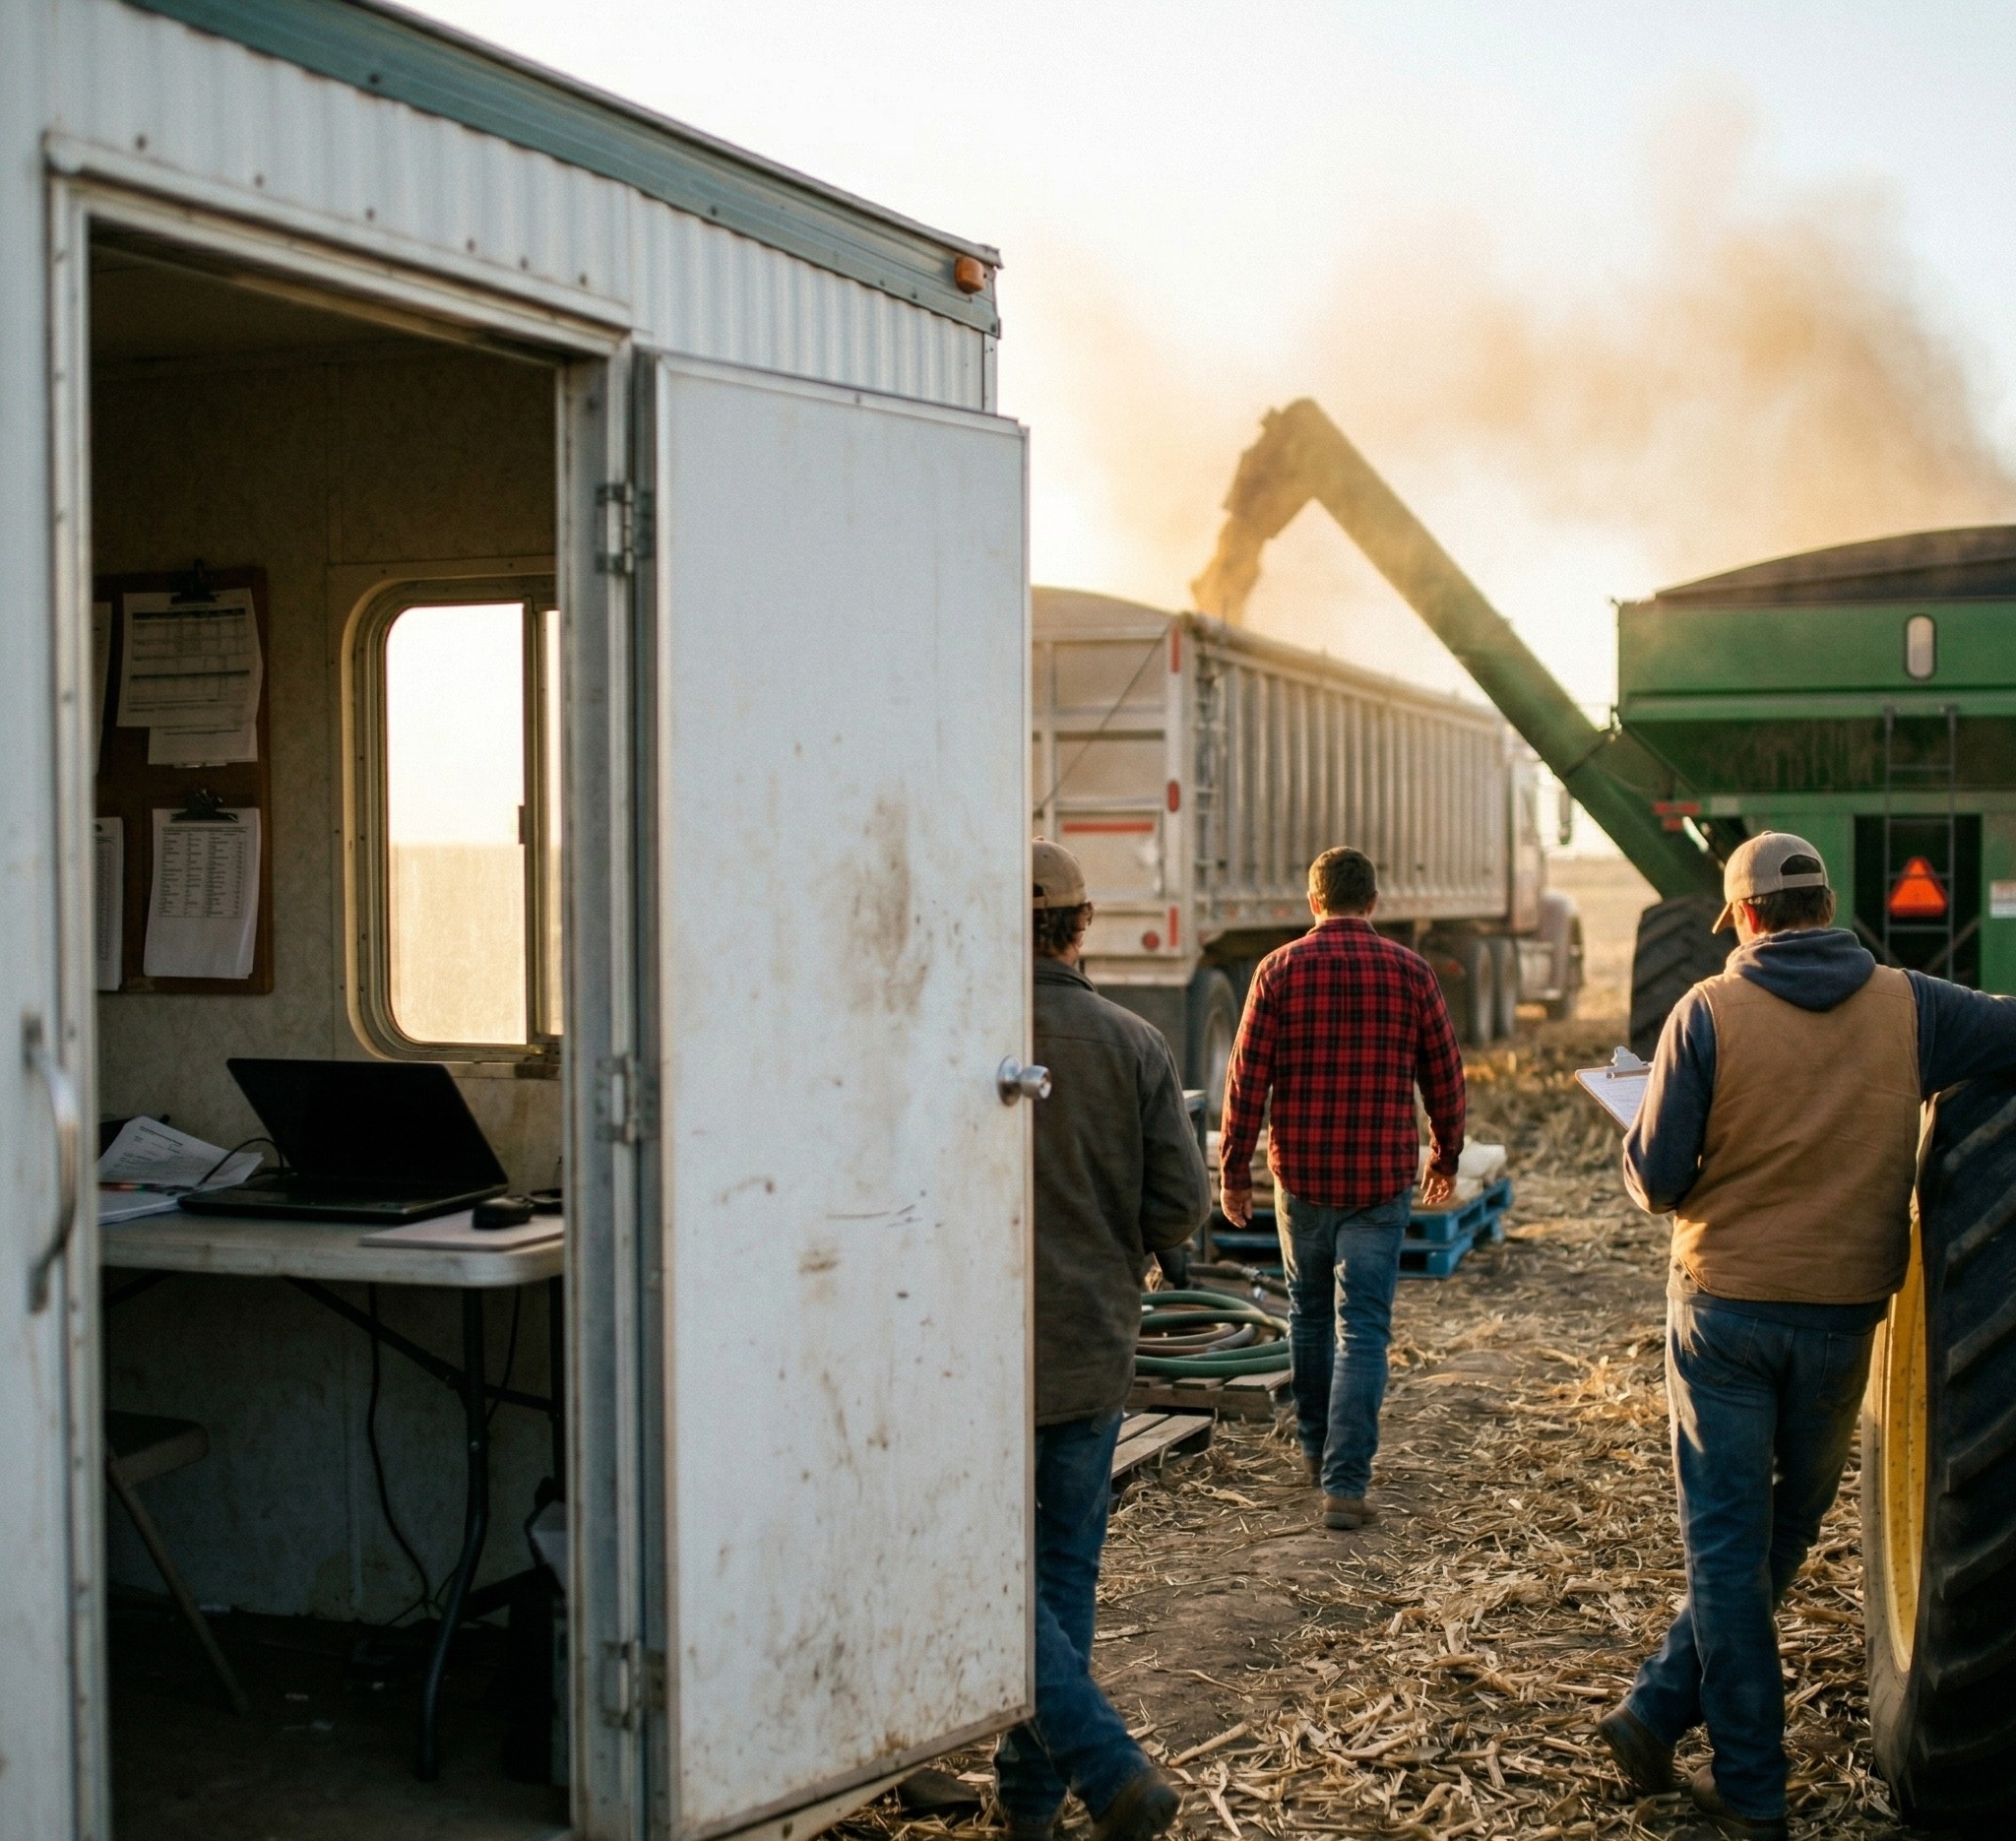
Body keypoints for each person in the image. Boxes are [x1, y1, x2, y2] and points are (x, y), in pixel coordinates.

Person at [1600, 832, 2016, 1840]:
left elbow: (1654, 1179)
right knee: (1777, 1537)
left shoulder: (1705, 1011)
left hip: (1726, 1320)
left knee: (1727, 1553)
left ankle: (1750, 1789)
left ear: (1742, 915)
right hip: (1841, 1327)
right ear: (1827, 904)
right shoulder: (1912, 1006)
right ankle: (1655, 1709)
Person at [996, 839, 1211, 1841]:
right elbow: (1176, 1208)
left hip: (969, 1361)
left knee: (984, 1573)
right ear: (1080, 927)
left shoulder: (944, 1040)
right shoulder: (1132, 1043)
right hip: (1086, 1348)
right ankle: (1082, 1775)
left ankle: (1054, 1788)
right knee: (1060, 1571)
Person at [1218, 846, 1466, 1532]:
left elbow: (1246, 1081)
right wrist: (1445, 1153)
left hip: (1302, 1178)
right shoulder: (1411, 972)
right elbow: (1444, 1074)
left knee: (1308, 1314)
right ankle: (1346, 1483)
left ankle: (1313, 1451)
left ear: (1313, 902)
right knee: (1364, 1328)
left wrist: (1234, 1170)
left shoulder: (1279, 970)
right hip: (1379, 1181)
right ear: (1375, 902)